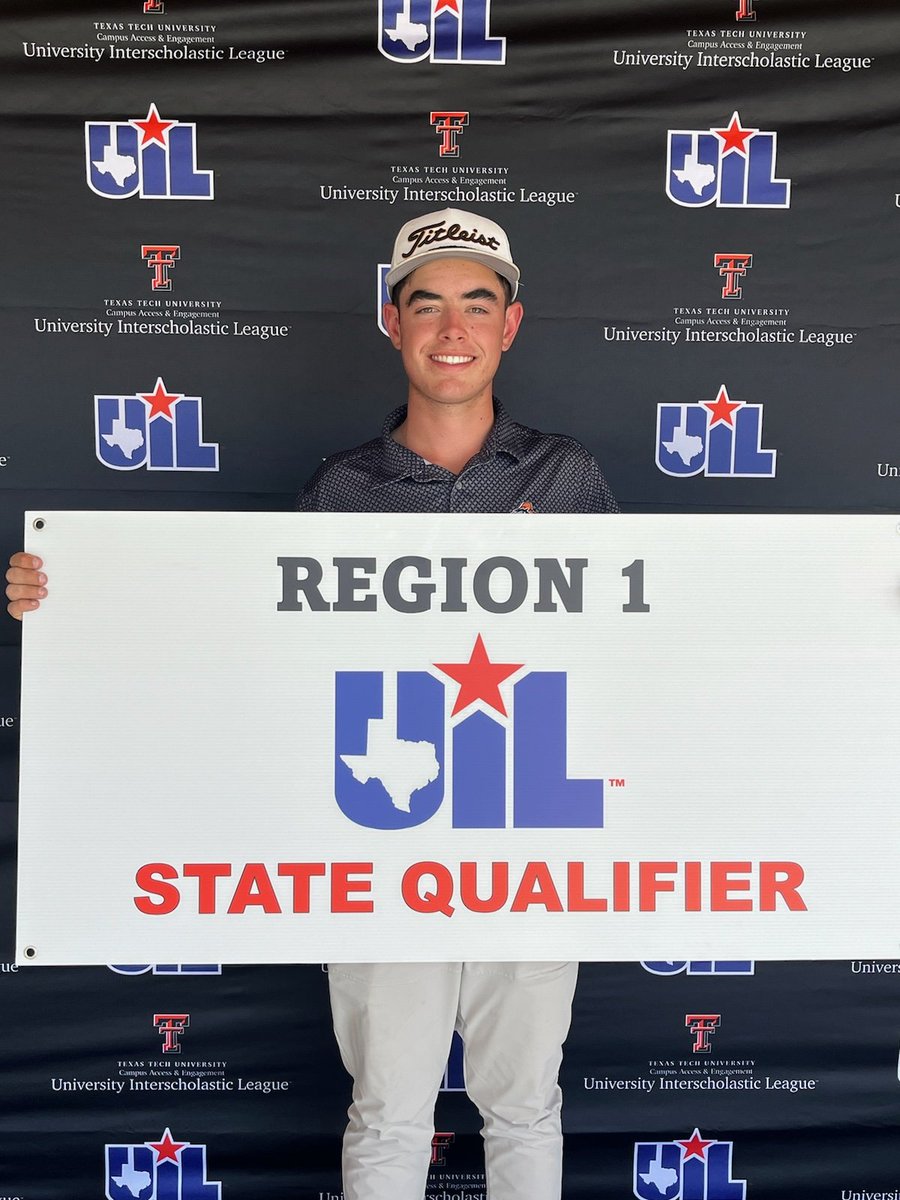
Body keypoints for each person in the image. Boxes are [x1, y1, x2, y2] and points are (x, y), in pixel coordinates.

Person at [6, 208, 618, 1200]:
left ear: (510, 325)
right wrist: (75, 597)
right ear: (392, 321)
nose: (451, 329)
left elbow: (649, 646)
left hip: (529, 830)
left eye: (477, 304)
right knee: (388, 1107)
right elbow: (260, 645)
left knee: (525, 1103)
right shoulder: (342, 490)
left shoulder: (570, 476)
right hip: (382, 832)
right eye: (428, 305)